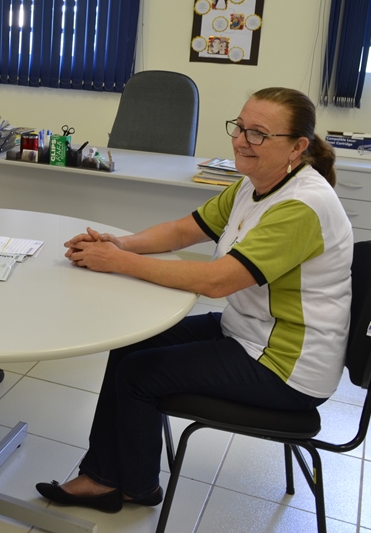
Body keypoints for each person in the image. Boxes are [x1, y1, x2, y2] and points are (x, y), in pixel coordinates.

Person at [36, 87, 352, 512]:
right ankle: (104, 476)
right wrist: (120, 243)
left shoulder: (302, 205)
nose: (241, 140)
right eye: (240, 127)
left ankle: (135, 486)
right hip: (249, 332)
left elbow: (216, 282)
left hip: (285, 364)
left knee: (138, 374)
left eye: (258, 134)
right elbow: (184, 230)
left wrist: (118, 262)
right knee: (130, 342)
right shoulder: (255, 184)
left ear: (297, 147)